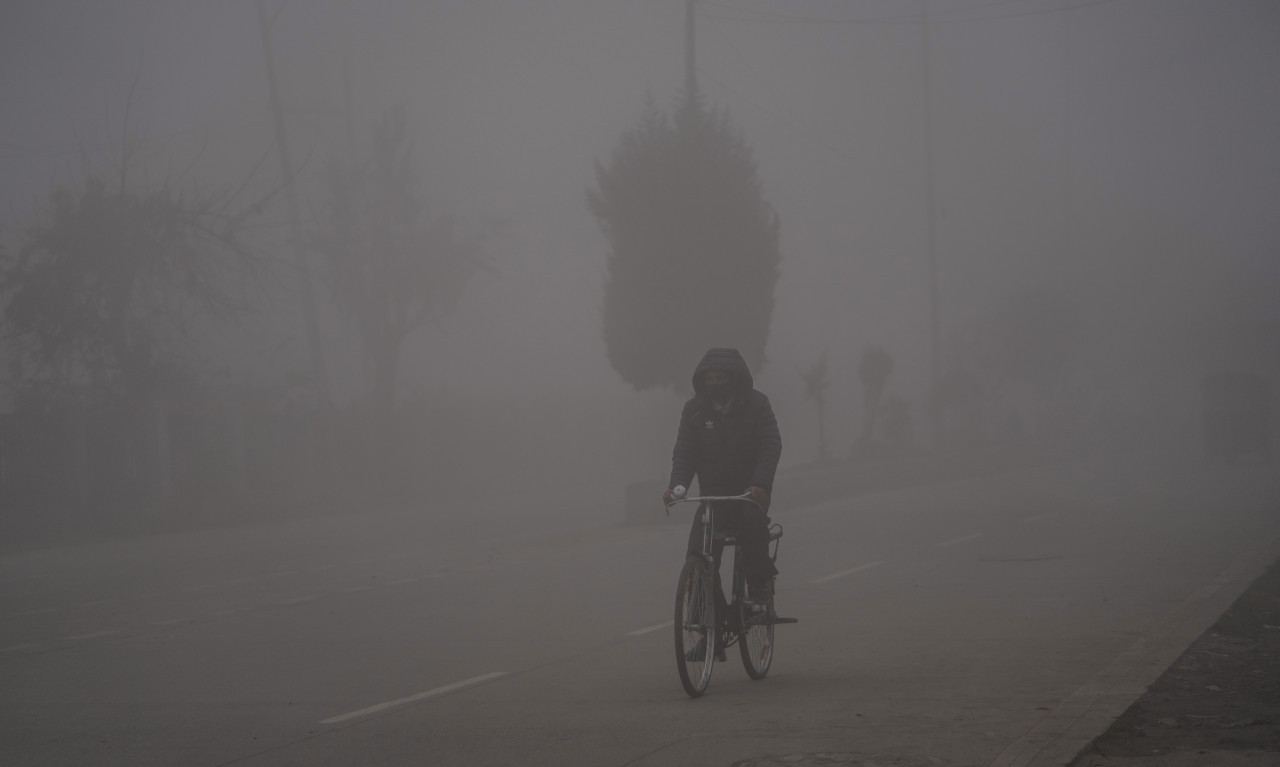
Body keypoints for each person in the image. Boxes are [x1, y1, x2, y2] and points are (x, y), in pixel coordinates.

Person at [663, 347, 783, 607]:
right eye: (710, 378)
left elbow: (770, 445)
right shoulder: (694, 410)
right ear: (702, 381)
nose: (715, 383)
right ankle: (707, 625)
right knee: (697, 555)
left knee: (752, 527)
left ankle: (759, 587)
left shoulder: (757, 405)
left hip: (750, 494)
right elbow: (685, 453)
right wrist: (676, 487)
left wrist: (760, 484)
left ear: (735, 377)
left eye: (721, 378)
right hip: (713, 497)